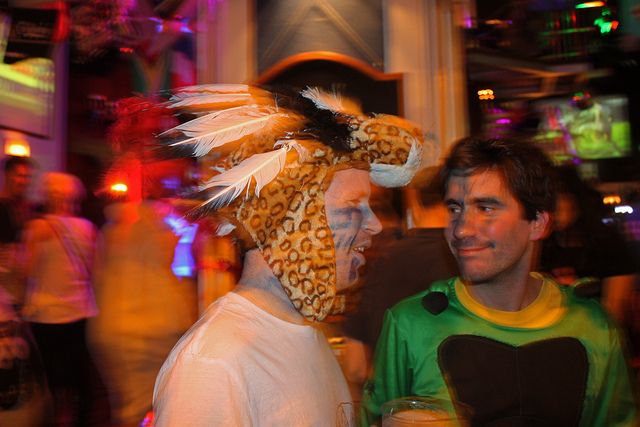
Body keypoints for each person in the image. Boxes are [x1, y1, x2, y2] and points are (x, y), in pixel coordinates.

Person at [148, 84, 424, 426]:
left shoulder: (308, 333)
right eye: (353, 205)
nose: (375, 225)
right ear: (291, 220)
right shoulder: (212, 365)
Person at [362, 137, 638, 426]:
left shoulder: (591, 326)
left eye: (486, 208)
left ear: (537, 223)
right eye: (455, 209)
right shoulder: (411, 325)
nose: (462, 230)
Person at [21, 172, 100, 426]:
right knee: (78, 367)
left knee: (53, 370)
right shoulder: (87, 228)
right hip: (80, 309)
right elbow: (94, 269)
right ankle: (82, 415)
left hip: (47, 313)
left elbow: (27, 272)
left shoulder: (38, 227)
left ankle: (59, 415)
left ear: (49, 196)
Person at [0, 156, 35, 309]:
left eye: (27, 177)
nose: (24, 181)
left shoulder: (27, 207)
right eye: (20, 175)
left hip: (20, 287)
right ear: (7, 175)